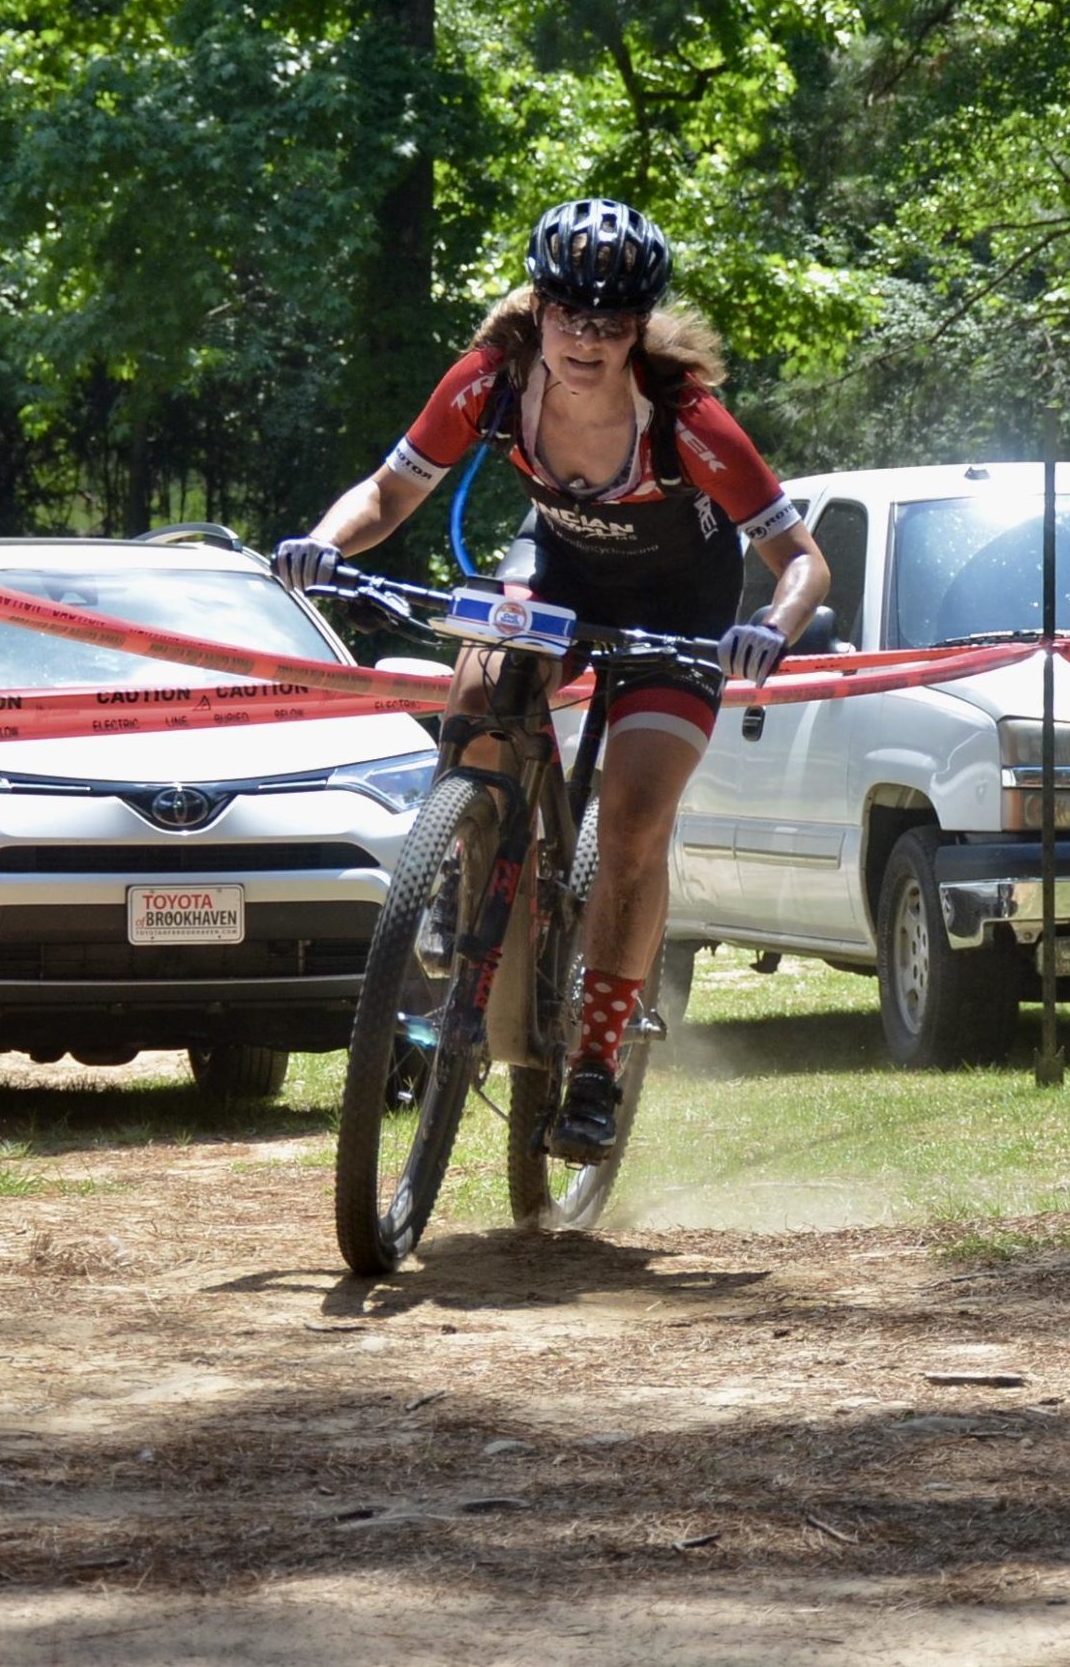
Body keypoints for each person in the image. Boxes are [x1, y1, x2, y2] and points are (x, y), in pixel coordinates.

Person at [275, 197, 828, 1162]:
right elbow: (389, 491)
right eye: (570, 313)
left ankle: (599, 1063)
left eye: (613, 323)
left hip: (681, 613)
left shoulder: (687, 419)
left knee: (633, 822)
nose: (587, 338)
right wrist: (322, 544)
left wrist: (769, 628)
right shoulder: (491, 379)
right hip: (560, 575)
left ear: (639, 325)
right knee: (480, 683)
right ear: (542, 304)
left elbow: (802, 560)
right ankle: (464, 865)